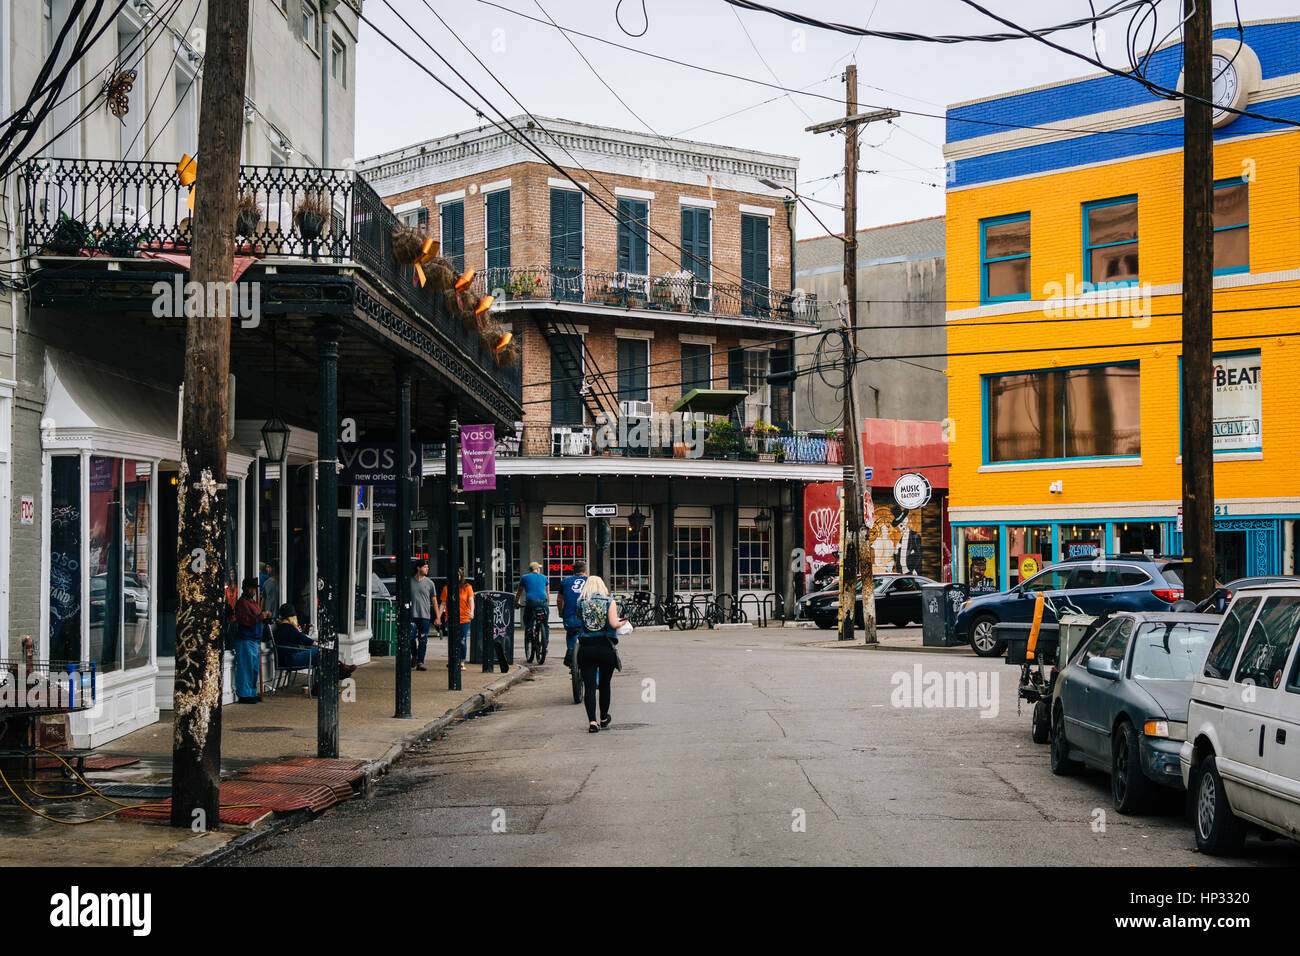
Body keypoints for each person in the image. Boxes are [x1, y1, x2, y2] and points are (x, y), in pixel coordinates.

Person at [575, 575, 626, 733]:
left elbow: (580, 620)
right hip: (605, 647)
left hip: (586, 647)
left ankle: (592, 722)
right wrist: (624, 621)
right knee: (605, 684)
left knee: (589, 687)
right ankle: (604, 718)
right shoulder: (609, 601)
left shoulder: (580, 602)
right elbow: (613, 623)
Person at [232, 577, 269, 703]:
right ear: (246, 589)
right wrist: (259, 618)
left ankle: (251, 692)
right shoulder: (242, 602)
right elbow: (244, 620)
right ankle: (244, 694)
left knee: (253, 668)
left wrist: (263, 617)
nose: (253, 591)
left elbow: (255, 618)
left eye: (254, 589)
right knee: (246, 668)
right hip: (246, 639)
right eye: (252, 589)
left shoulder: (252, 603)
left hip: (254, 639)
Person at [438, 568, 475, 670]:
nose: (456, 577)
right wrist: (438, 617)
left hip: (464, 618)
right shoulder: (447, 588)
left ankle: (462, 661)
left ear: (461, 576)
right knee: (452, 640)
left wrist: (472, 612)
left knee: (462, 640)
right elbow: (443, 604)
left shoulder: (467, 587)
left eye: (458, 575)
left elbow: (471, 600)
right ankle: (453, 660)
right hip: (450, 619)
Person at [515, 561, 550, 663]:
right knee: (545, 624)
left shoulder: (524, 577)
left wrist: (516, 603)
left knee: (527, 619)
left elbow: (519, 592)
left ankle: (529, 631)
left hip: (531, 602)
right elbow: (547, 593)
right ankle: (545, 643)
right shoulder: (544, 577)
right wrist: (546, 604)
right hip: (543, 603)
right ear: (538, 569)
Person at [409, 558, 440, 672]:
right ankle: (415, 655)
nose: (427, 569)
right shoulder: (410, 582)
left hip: (425, 616)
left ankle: (420, 662)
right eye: (425, 567)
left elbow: (434, 601)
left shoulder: (430, 583)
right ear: (418, 568)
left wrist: (437, 617)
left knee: (423, 639)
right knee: (410, 638)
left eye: (427, 567)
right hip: (412, 616)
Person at [558, 559, 588, 668]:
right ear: (585, 571)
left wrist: (561, 612)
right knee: (588, 638)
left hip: (569, 616)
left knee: (571, 633)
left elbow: (559, 599)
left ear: (574, 571)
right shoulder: (590, 581)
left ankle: (570, 651)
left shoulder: (565, 581)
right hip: (585, 616)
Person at [272, 603, 319, 671]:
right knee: (320, 651)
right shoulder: (288, 627)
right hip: (289, 660)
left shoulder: (284, 627)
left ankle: (317, 679)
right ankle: (319, 679)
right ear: (293, 616)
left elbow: (299, 640)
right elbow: (305, 640)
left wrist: (300, 631)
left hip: (286, 659)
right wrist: (318, 644)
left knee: (319, 655)